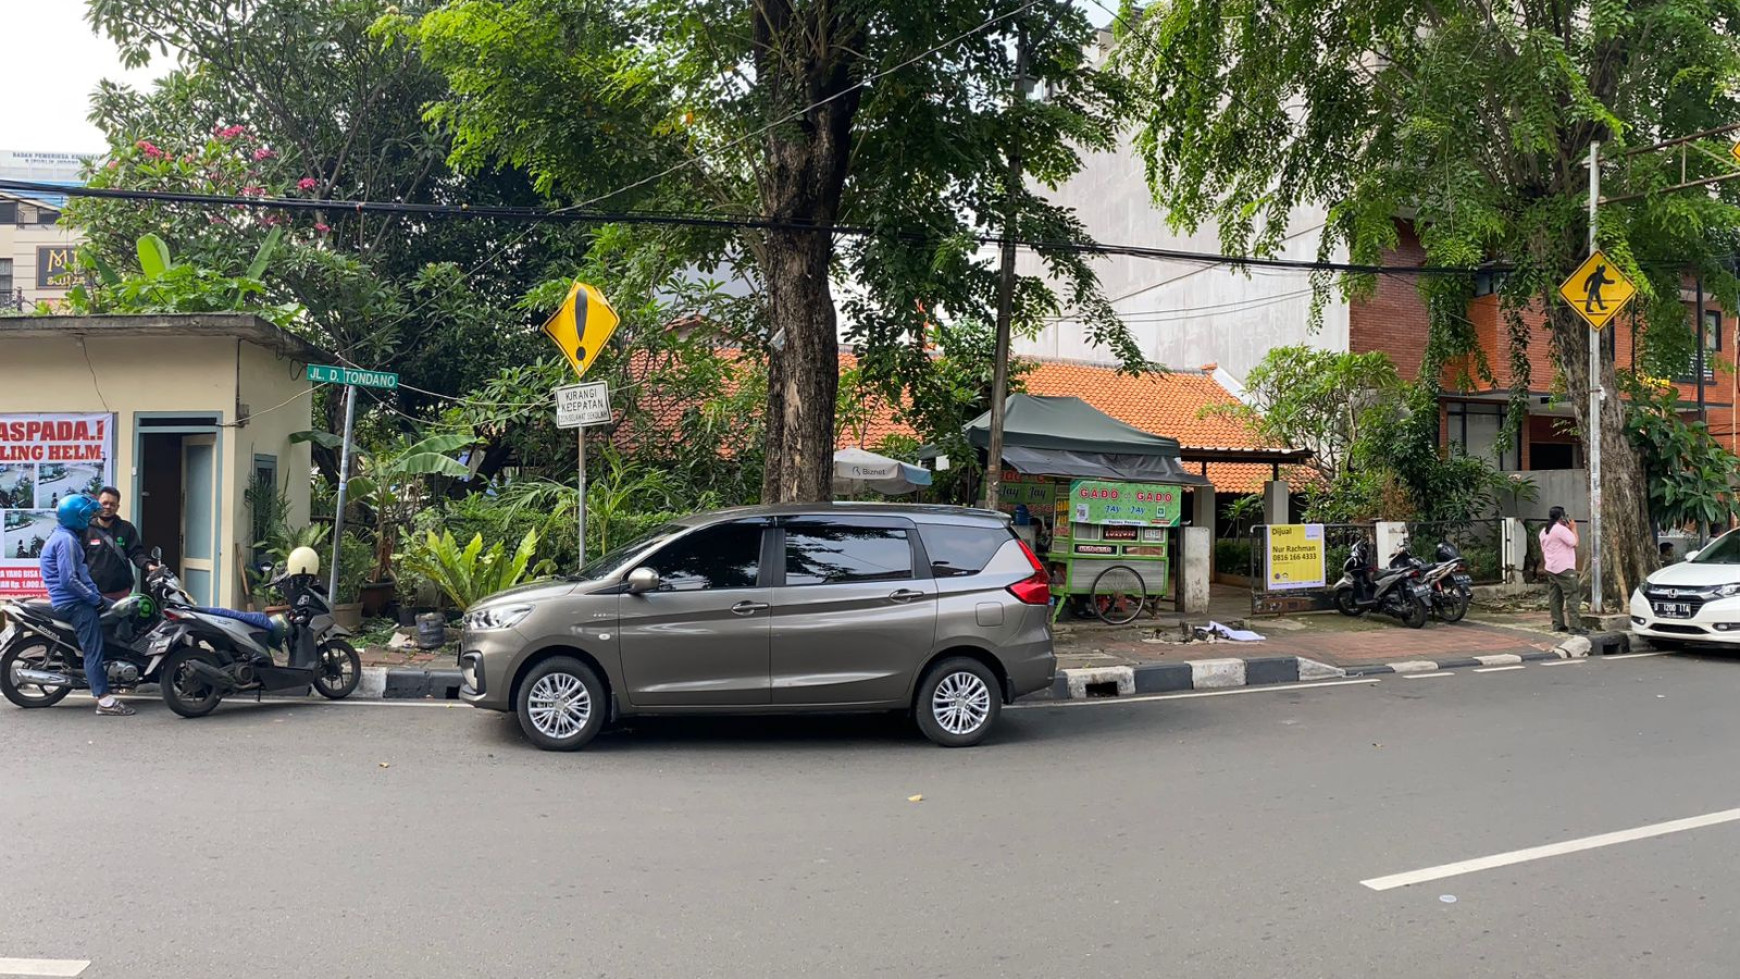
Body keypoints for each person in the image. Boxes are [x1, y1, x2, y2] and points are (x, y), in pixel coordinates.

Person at [41, 495, 133, 716]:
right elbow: (69, 580)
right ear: (77, 517)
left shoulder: (62, 536)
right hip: (75, 604)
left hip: (76, 600)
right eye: (87, 515)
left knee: (125, 611)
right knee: (93, 650)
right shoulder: (67, 541)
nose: (90, 519)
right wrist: (96, 600)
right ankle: (105, 700)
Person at [85, 485, 156, 601]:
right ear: (97, 503)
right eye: (105, 503)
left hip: (120, 593)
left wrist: (149, 566)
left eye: (112, 504)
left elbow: (136, 553)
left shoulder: (126, 528)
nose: (108, 507)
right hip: (92, 593)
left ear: (117, 507)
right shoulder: (85, 529)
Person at [1539, 506, 1585, 635]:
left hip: (1551, 567)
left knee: (1555, 597)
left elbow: (1543, 548)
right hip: (1564, 568)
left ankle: (1558, 624)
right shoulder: (1560, 530)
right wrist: (1573, 528)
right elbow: (1574, 543)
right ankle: (1575, 627)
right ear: (1562, 517)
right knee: (1572, 596)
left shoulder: (1544, 531)